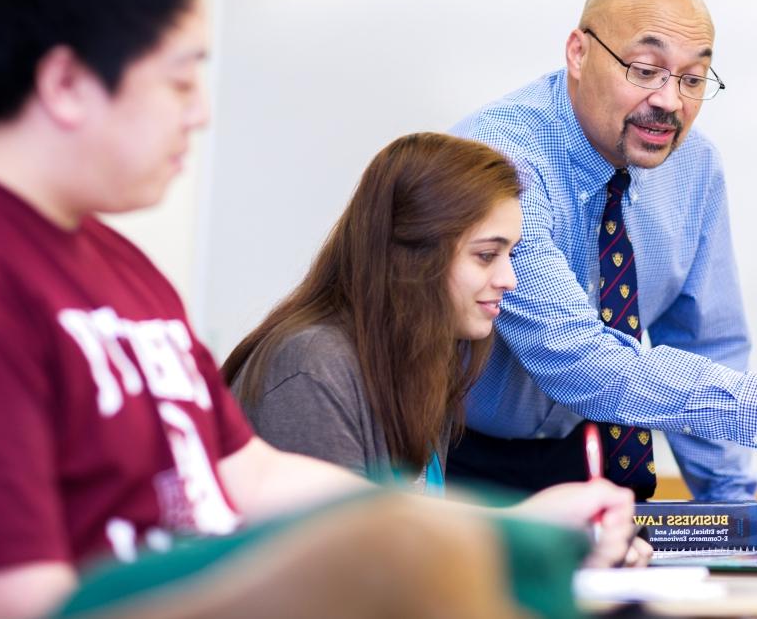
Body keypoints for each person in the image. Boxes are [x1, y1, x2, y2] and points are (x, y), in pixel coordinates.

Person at [0, 0, 635, 617]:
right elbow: (19, 603)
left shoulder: (121, 267)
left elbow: (249, 477)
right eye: (181, 77)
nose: (200, 112)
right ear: (67, 83)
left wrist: (501, 526)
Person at [447, 0, 757, 548]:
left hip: (591, 465)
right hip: (462, 471)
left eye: (693, 79)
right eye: (645, 71)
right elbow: (576, 357)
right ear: (577, 52)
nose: (668, 102)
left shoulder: (695, 169)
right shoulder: (501, 161)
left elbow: (703, 342)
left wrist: (738, 520)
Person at [222, 131, 651, 565]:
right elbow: (344, 573)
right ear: (414, 256)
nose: (509, 279)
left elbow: (422, 545)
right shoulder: (312, 369)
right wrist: (521, 535)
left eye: (511, 255)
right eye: (486, 256)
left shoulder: (425, 360)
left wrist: (560, 550)